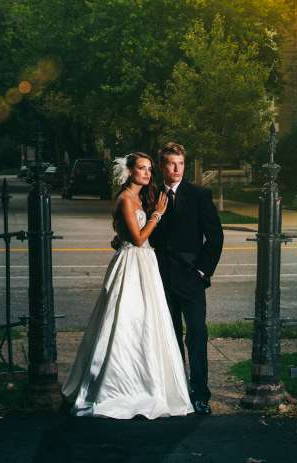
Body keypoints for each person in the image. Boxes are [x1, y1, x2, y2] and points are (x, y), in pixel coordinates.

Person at [61, 151, 194, 419]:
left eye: (149, 169)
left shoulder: (138, 197)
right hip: (133, 263)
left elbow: (126, 234)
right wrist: (156, 215)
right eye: (142, 169)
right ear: (130, 172)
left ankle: (147, 381)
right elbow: (137, 238)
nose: (147, 173)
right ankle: (115, 385)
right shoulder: (125, 199)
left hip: (145, 263)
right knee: (124, 319)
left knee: (148, 321)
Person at [150, 142, 224, 415]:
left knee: (197, 335)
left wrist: (202, 272)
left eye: (180, 163)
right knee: (169, 337)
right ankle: (177, 392)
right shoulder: (152, 196)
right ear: (162, 166)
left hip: (191, 278)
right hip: (160, 278)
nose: (177, 169)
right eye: (171, 163)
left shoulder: (198, 195)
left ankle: (200, 394)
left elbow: (215, 237)